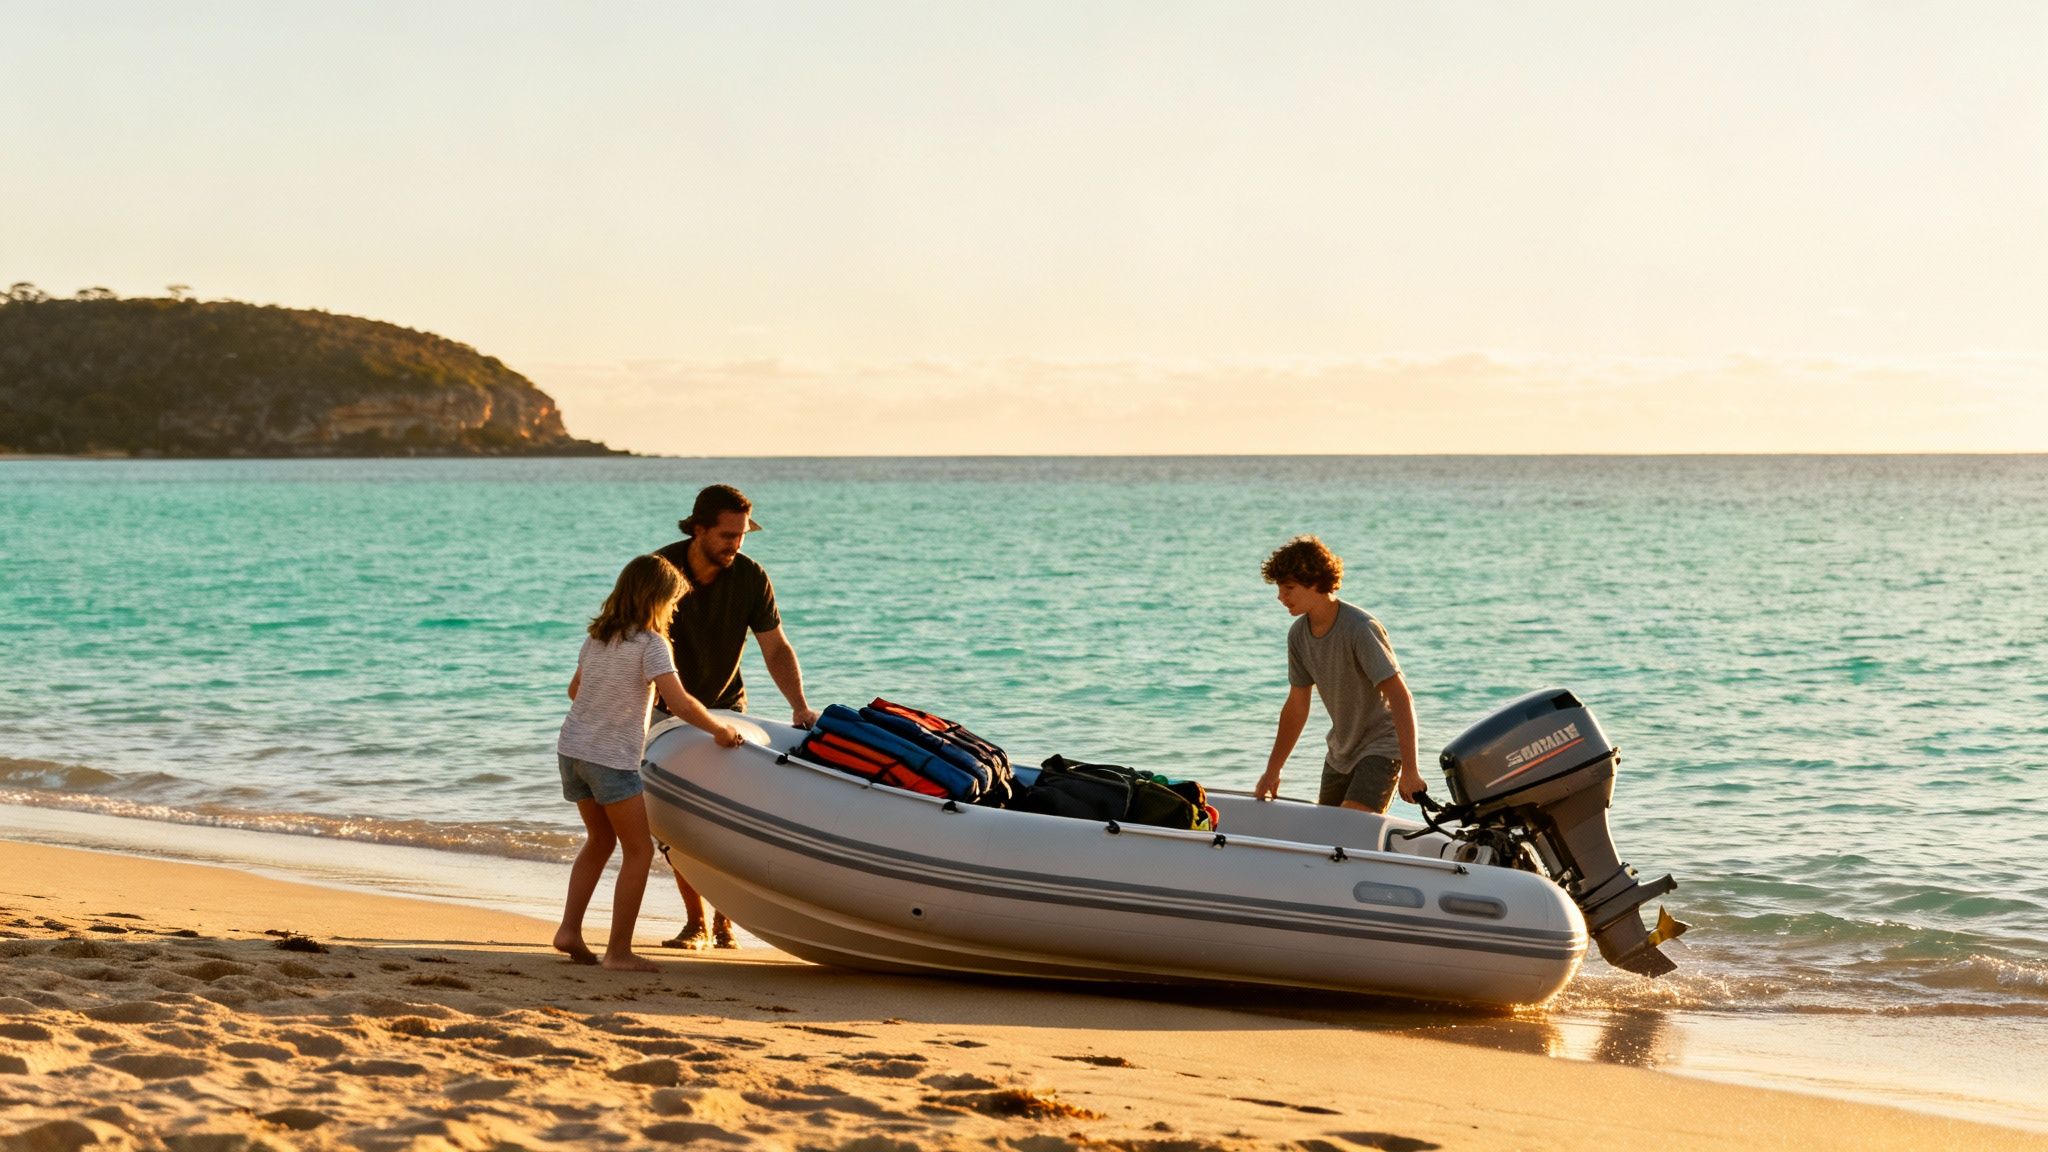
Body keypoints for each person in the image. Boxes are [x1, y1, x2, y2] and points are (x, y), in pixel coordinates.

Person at [553, 554, 744, 972]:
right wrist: (719, 730)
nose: (674, 610)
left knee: (598, 842)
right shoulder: (652, 645)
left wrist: (608, 705)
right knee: (638, 852)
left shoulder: (597, 638)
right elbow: (678, 702)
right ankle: (618, 952)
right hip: (610, 760)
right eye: (672, 603)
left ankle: (570, 930)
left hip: (572, 751)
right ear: (657, 600)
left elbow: (574, 691)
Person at [653, 483, 820, 949]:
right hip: (664, 709)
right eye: (727, 535)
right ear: (699, 528)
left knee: (722, 818)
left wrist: (799, 705)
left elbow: (776, 646)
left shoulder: (750, 576)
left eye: (743, 535)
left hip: (728, 709)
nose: (736, 544)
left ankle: (725, 921)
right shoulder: (661, 572)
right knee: (674, 822)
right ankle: (696, 922)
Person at [1254, 535, 1426, 812]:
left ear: (1314, 582)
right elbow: (1297, 706)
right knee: (1328, 839)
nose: (1280, 597)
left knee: (1349, 828)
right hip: (1340, 753)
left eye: (1288, 588)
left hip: (1380, 748)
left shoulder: (1360, 628)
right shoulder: (1298, 635)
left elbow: (1400, 695)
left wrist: (1411, 769)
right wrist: (1273, 770)